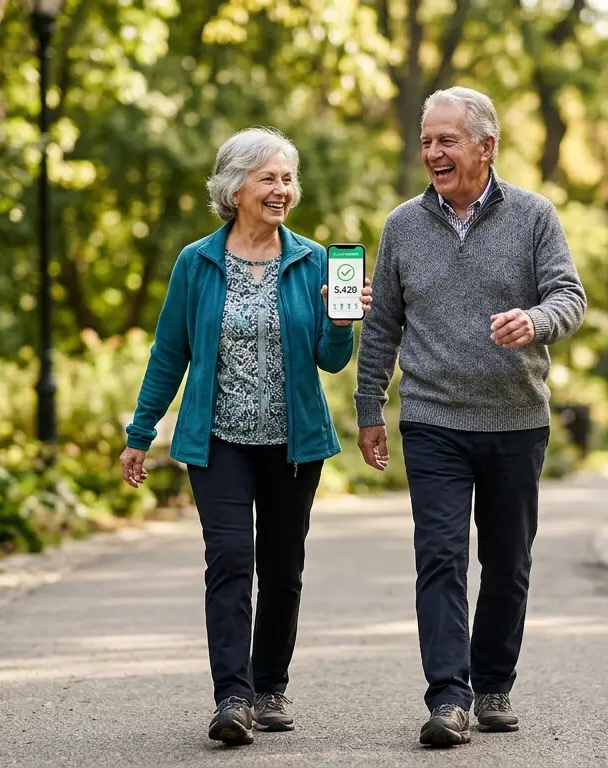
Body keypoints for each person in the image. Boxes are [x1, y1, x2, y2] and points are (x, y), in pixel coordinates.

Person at [120, 127, 372, 747]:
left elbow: (331, 360)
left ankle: (271, 687)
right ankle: (232, 695)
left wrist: (343, 323)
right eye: (268, 178)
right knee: (230, 561)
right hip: (220, 441)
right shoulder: (197, 262)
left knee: (282, 568)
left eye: (287, 178)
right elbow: (169, 352)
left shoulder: (313, 260)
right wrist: (141, 429)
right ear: (234, 189)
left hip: (294, 444)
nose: (282, 190)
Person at [354, 86, 586, 748]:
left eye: (446, 140)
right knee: (441, 557)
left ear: (486, 146)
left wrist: (535, 319)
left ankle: (492, 685)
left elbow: (569, 295)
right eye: (426, 140)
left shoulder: (535, 217)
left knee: (509, 562)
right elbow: (382, 324)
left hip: (516, 419)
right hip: (432, 420)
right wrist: (370, 406)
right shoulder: (402, 226)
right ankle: (448, 697)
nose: (432, 152)